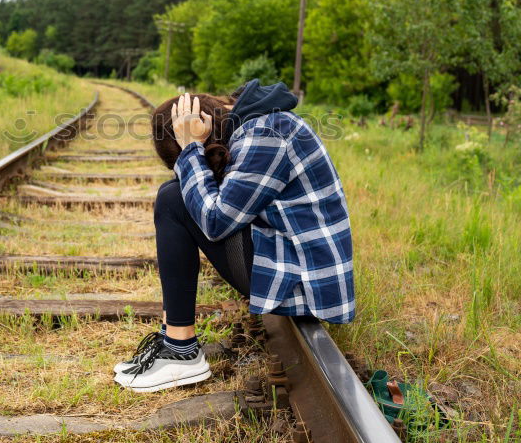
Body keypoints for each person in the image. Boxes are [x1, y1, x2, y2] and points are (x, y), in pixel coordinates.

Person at [113, 80, 355, 392]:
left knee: (174, 198)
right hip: (295, 263)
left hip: (303, 283)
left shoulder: (267, 133)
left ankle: (181, 352)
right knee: (175, 193)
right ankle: (172, 337)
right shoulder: (258, 124)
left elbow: (216, 221)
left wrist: (189, 150)